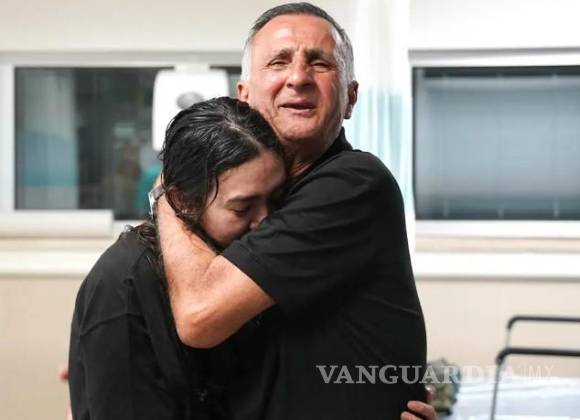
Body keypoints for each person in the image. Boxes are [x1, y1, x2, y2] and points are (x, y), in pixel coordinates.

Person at [156, 3, 436, 420]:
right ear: (244, 97)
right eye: (279, 61)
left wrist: (165, 196)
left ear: (351, 98)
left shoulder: (352, 184)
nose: (299, 77)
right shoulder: (258, 199)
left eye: (320, 63)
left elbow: (200, 315)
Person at [67, 97, 287, 420]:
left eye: (277, 199)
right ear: (182, 201)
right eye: (242, 208)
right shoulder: (123, 283)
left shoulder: (239, 263)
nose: (265, 221)